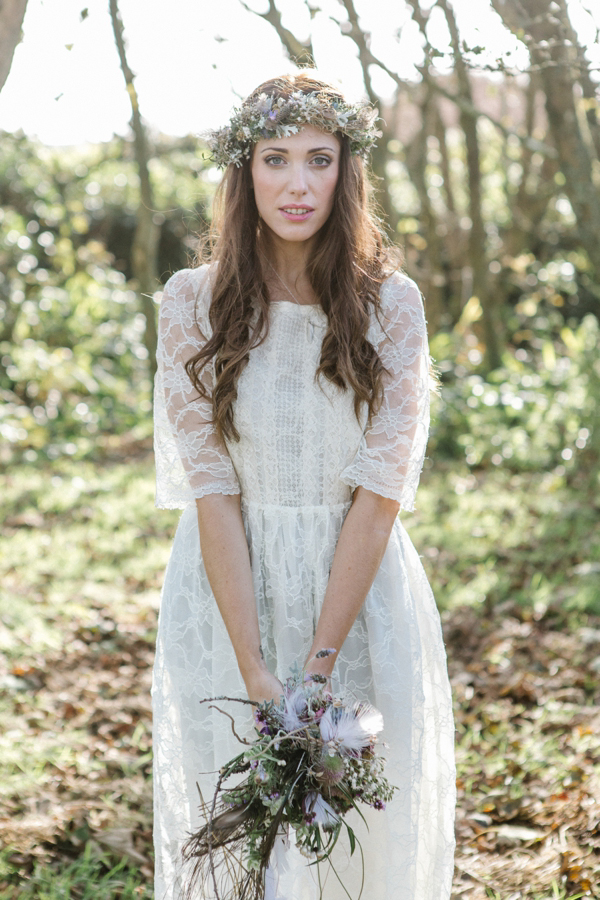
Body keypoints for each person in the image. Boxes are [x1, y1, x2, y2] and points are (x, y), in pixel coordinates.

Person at [152, 72, 456, 900]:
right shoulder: (191, 303)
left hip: (358, 588)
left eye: (318, 160)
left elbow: (382, 491)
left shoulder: (391, 306)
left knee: (358, 836)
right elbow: (212, 491)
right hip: (229, 591)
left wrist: (318, 665)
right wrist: (254, 669)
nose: (296, 184)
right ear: (243, 173)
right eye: (275, 159)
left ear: (345, 173)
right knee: (238, 825)